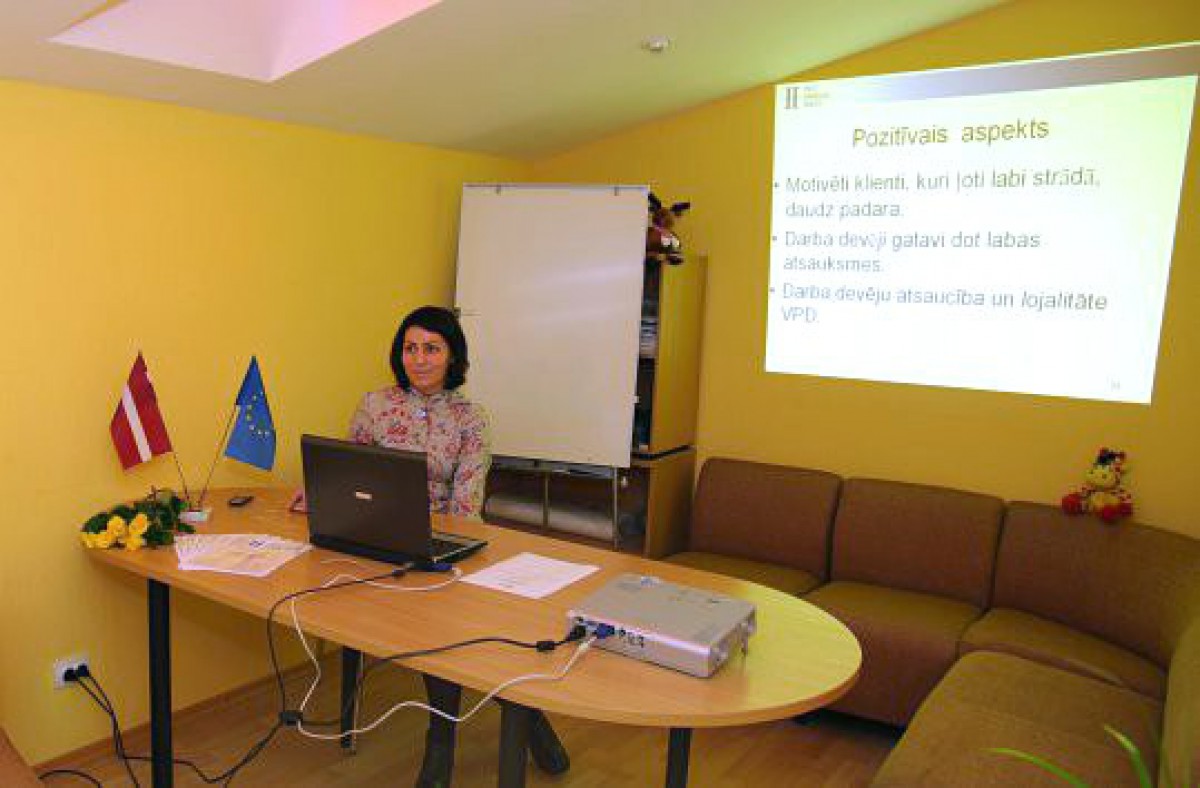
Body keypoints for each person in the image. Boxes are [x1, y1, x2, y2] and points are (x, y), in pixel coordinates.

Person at [348, 306, 569, 788]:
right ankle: (529, 720)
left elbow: (466, 507)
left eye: (432, 348)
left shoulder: (471, 418)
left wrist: (428, 544)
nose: (419, 359)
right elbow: (355, 474)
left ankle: (442, 740)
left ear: (452, 356)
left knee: (443, 627)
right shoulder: (375, 405)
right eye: (410, 348)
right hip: (383, 539)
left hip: (451, 545)